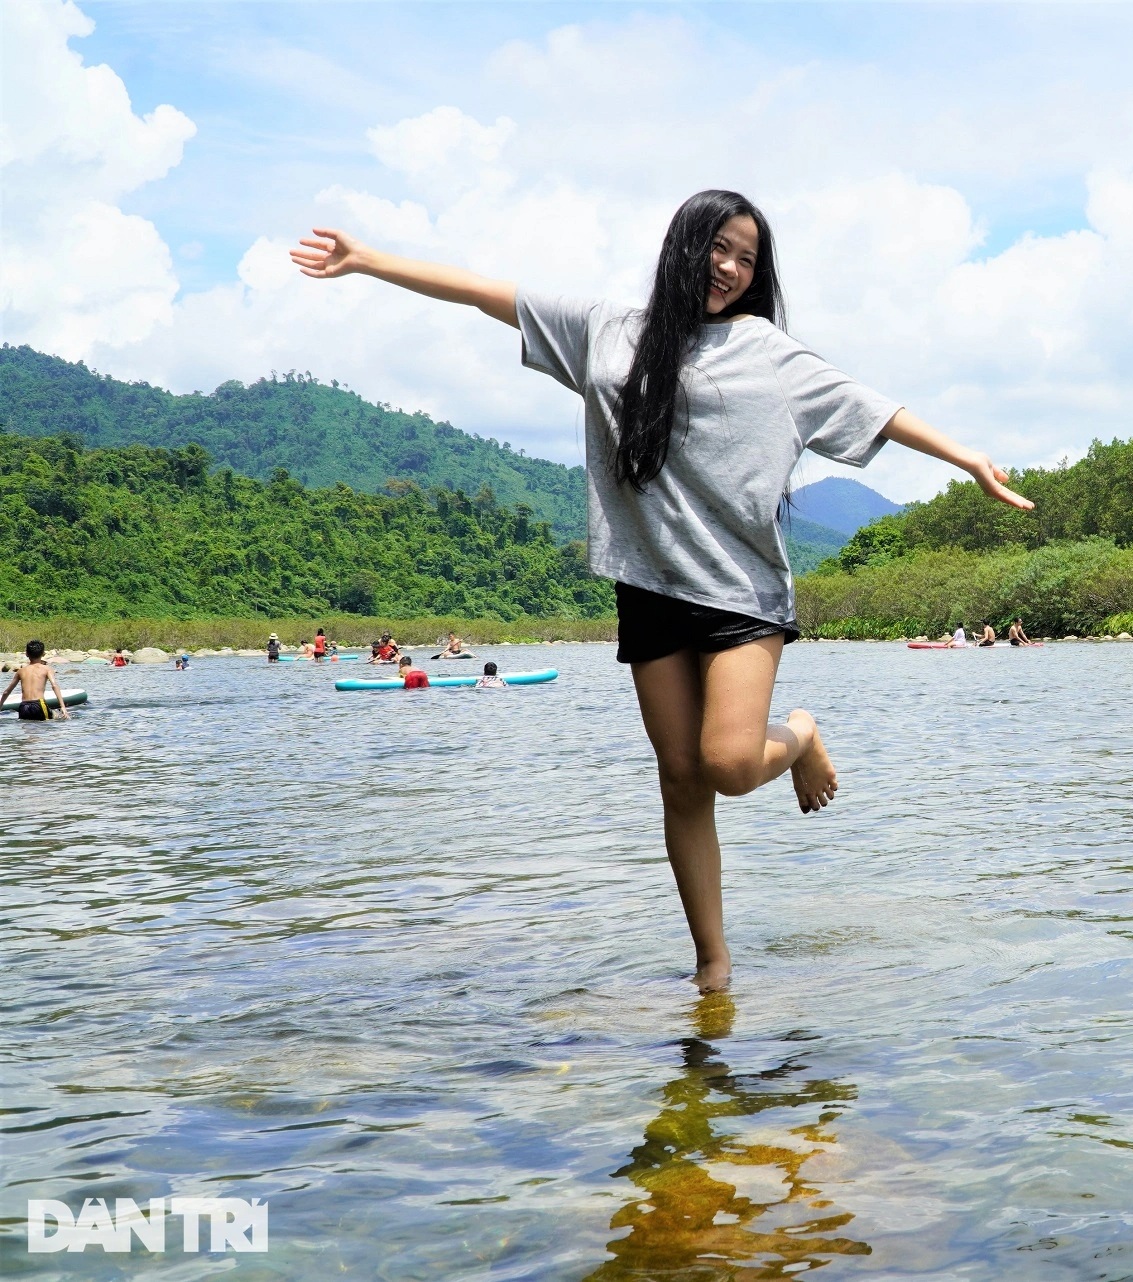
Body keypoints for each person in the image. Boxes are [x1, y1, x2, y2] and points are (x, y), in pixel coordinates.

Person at [294, 190, 1029, 992]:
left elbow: (877, 412)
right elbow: (483, 292)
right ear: (685, 244)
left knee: (728, 762)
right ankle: (713, 970)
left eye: (748, 259)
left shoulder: (773, 356)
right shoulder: (609, 330)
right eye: (720, 248)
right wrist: (368, 261)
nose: (731, 268)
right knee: (680, 778)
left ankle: (803, 733)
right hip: (647, 586)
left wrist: (967, 459)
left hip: (742, 591)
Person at [3, 641, 70, 720]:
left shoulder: (21, 671)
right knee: (56, 718)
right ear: (43, 654)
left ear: (26, 654)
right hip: (39, 704)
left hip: (24, 706)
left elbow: (6, 692)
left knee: (27, 729)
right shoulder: (47, 669)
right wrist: (63, 707)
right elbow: (54, 685)